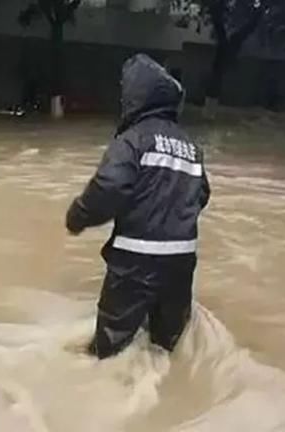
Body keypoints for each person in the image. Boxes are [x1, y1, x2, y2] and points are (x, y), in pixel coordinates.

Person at [65, 53, 210, 359]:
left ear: (136, 98)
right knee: (167, 344)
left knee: (111, 347)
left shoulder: (133, 140)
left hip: (135, 261)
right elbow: (203, 194)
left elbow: (109, 187)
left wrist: (78, 215)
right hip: (182, 261)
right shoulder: (191, 147)